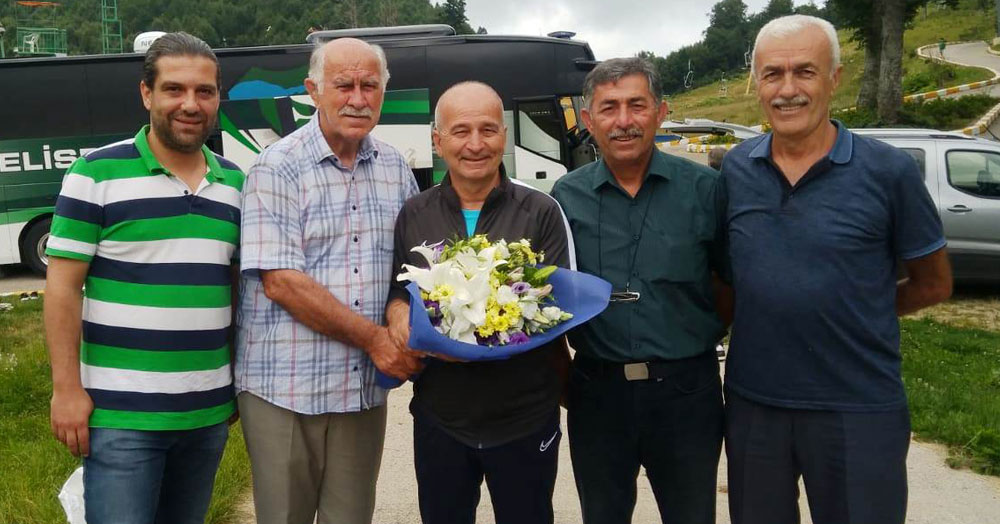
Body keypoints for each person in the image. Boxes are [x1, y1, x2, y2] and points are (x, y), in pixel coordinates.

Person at [722, 15, 953, 524]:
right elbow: (729, 277)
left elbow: (934, 283)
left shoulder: (888, 171)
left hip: (859, 407)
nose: (787, 90)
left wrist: (862, 307)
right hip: (755, 405)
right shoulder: (735, 169)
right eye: (772, 74)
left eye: (805, 72)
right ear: (755, 82)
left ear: (835, 78)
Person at [44, 32, 244, 524]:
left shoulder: (237, 183)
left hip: (207, 414)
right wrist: (66, 390)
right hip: (120, 417)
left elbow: (236, 290)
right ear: (146, 94)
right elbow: (63, 288)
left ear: (218, 97)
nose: (190, 104)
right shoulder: (95, 174)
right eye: (174, 89)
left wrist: (235, 383)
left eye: (205, 91)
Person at [235, 37, 420, 524]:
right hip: (285, 389)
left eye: (370, 85)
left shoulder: (396, 167)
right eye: (344, 85)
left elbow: (411, 269)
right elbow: (282, 282)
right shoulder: (276, 167)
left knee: (351, 517)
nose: (358, 98)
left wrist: (401, 320)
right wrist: (377, 339)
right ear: (313, 90)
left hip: (360, 390)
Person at [551, 57, 728, 524]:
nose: (624, 121)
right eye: (609, 108)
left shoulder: (707, 190)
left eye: (637, 105)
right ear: (588, 120)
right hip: (597, 393)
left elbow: (729, 283)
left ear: (661, 112)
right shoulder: (564, 198)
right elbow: (548, 297)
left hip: (687, 393)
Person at [386, 81, 572, 524]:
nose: (475, 144)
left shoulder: (541, 211)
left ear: (504, 136)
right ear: (438, 141)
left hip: (524, 416)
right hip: (441, 416)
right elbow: (398, 288)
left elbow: (554, 304)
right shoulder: (414, 212)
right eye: (460, 131)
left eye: (488, 130)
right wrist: (396, 314)